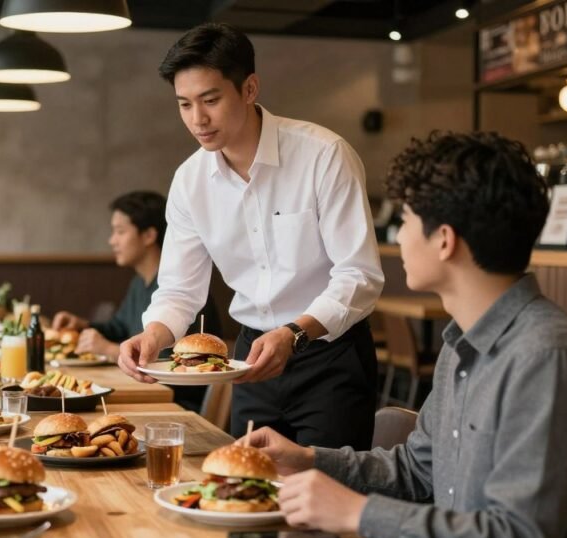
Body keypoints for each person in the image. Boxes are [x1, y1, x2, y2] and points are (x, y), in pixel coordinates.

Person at [248, 132, 567, 538]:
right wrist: (308, 460)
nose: (399, 237)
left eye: (407, 219)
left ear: (444, 239)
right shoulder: (460, 344)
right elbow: (418, 471)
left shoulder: (548, 356)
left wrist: (357, 512)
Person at [117, 23, 384, 446]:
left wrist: (294, 334)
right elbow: (179, 290)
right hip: (249, 359)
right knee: (246, 489)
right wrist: (153, 334)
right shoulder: (189, 182)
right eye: (184, 104)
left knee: (324, 498)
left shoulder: (324, 155)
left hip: (329, 354)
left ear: (249, 89)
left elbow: (360, 276)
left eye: (210, 100)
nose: (197, 119)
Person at [51, 190, 221, 411]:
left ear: (149, 235)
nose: (112, 241)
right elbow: (119, 326)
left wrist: (109, 350)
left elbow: (171, 368)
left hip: (177, 405)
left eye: (120, 231)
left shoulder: (183, 295)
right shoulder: (139, 283)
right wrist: (82, 324)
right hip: (150, 394)